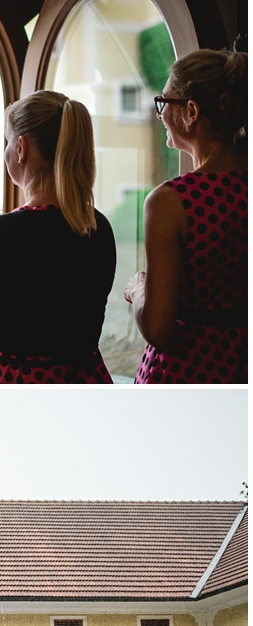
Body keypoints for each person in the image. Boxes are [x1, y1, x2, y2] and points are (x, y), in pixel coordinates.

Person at [0, 90, 116, 383]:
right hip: (81, 381)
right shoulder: (98, 227)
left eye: (8, 142)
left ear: (20, 148)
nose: (7, 150)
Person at [125, 45, 247, 383]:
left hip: (187, 372)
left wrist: (138, 290)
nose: (160, 113)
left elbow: (158, 329)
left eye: (164, 103)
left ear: (191, 111)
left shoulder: (171, 202)